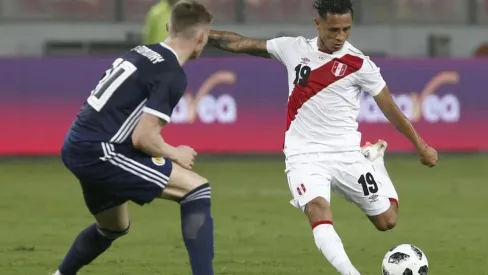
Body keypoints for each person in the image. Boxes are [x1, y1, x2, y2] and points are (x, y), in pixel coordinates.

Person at [206, 0, 438, 274]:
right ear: (318, 24)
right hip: (304, 155)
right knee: (317, 208)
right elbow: (240, 43)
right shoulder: (292, 48)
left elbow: (390, 108)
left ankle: (374, 161)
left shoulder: (359, 64)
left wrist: (421, 146)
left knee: (387, 221)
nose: (340, 36)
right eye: (334, 29)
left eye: (346, 29)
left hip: (346, 154)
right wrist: (198, 35)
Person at [53, 1, 215, 275]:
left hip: (77, 144)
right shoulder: (171, 74)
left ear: (167, 28)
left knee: (113, 227)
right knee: (196, 189)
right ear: (201, 38)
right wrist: (175, 152)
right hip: (100, 151)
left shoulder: (142, 52)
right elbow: (144, 138)